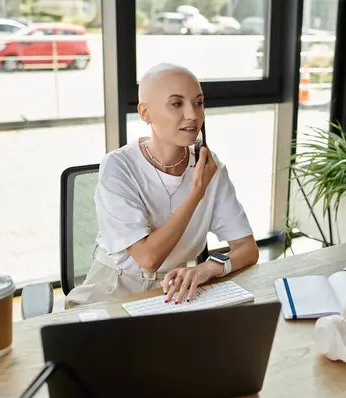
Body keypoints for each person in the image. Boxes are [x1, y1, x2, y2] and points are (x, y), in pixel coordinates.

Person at [65, 63, 259, 308]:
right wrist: (196, 192)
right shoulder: (118, 166)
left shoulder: (210, 168)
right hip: (113, 288)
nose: (193, 115)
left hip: (174, 289)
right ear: (145, 113)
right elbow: (148, 258)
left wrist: (207, 269)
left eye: (198, 103)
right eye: (177, 104)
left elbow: (248, 250)